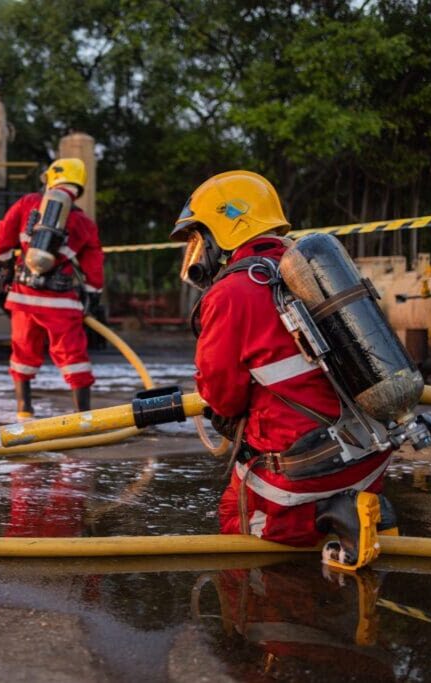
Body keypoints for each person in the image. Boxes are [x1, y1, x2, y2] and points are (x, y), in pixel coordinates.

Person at [170, 170, 397, 570]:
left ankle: (328, 523)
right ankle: (362, 514)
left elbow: (222, 397)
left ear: (221, 230)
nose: (195, 250)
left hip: (303, 477)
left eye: (196, 237)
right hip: (367, 458)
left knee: (236, 522)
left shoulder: (232, 292)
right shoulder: (312, 272)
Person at [0, 158, 104, 419]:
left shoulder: (27, 204)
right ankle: (83, 415)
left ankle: (24, 410)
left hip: (23, 296)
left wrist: (6, 268)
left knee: (22, 351)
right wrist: (93, 294)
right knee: (73, 355)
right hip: (60, 302)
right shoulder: (83, 222)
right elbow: (94, 264)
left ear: (52, 179)